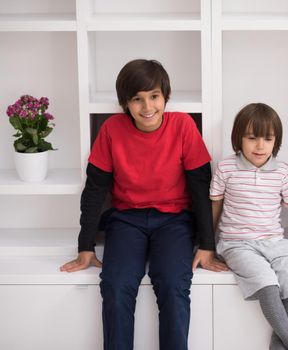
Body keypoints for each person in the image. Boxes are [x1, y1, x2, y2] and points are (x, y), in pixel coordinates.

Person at [60, 59, 227, 350]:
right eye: (137, 99)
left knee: (174, 285)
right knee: (115, 284)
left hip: (175, 221)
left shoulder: (183, 126)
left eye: (154, 97)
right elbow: (95, 189)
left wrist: (207, 244)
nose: (147, 107)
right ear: (125, 103)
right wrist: (85, 246)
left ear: (166, 97)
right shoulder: (112, 130)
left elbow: (202, 188)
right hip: (126, 220)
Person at [210, 103, 288, 350]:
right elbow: (214, 207)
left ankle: (278, 346)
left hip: (275, 242)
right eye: (252, 138)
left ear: (276, 142)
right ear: (239, 139)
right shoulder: (226, 168)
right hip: (237, 244)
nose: (260, 146)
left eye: (268, 139)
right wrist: (204, 246)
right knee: (266, 281)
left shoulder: (281, 172)